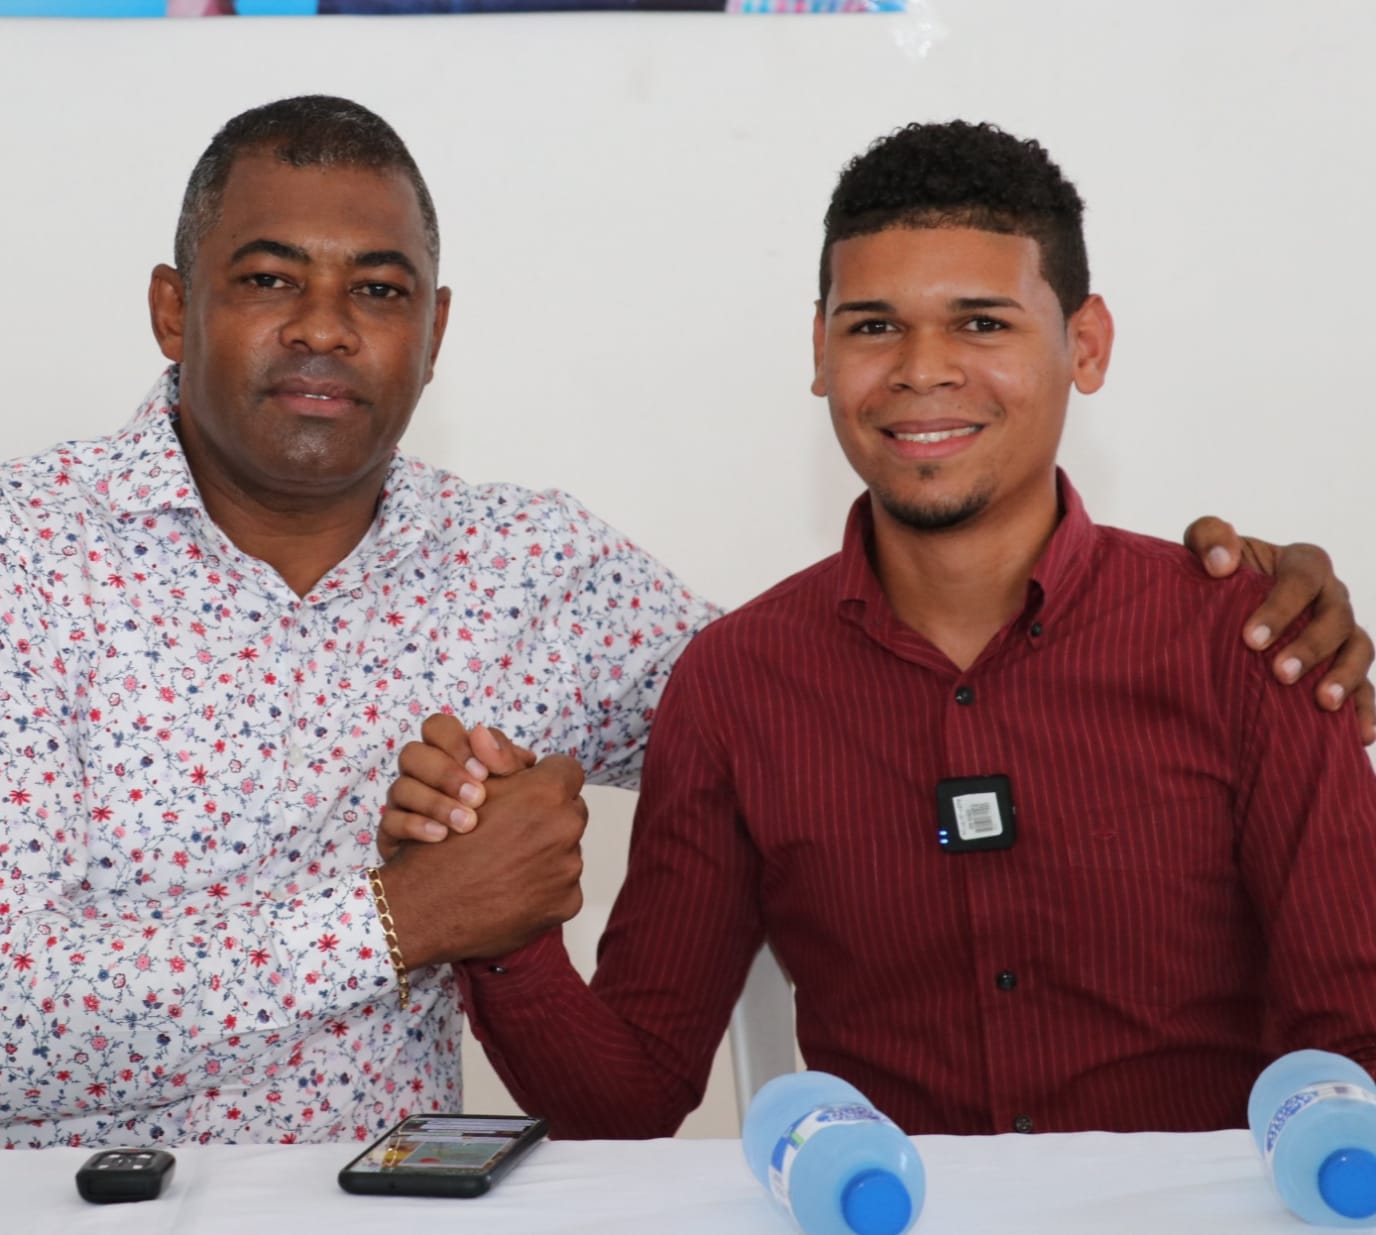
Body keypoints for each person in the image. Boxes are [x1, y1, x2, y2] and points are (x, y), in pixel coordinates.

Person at [0, 96, 1366, 1150]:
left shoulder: (542, 571)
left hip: (393, 1198)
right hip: (36, 1202)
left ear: (434, 329)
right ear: (171, 308)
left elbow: (839, 692)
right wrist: (426, 918)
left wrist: (1266, 610)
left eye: (377, 288)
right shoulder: (1, 559)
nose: (324, 326)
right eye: (268, 279)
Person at [388, 121, 1376, 1138]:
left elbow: (1357, 1041)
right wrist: (499, 923)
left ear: (1085, 345)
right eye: (873, 327)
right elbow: (631, 1098)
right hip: (878, 1204)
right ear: (820, 350)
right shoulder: (736, 685)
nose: (921, 369)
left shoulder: (1252, 642)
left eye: (981, 323)